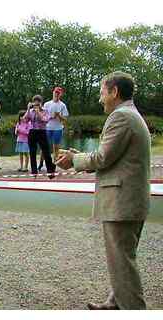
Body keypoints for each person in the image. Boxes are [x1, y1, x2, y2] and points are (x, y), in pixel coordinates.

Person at [56, 71, 150, 310]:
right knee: (123, 259)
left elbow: (103, 157)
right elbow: (114, 157)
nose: (100, 98)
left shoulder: (121, 117)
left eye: (102, 92)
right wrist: (79, 156)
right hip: (129, 200)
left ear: (114, 92)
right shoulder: (131, 115)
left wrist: (73, 161)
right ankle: (114, 304)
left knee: (122, 263)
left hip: (122, 202)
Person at [39, 86, 69, 170]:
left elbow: (65, 119)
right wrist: (51, 117)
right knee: (44, 147)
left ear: (61, 95)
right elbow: (42, 116)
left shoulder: (62, 105)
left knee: (56, 148)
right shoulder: (47, 104)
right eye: (55, 92)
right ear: (53, 93)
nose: (56, 94)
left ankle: (54, 165)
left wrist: (59, 116)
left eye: (58, 93)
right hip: (47, 128)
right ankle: (41, 164)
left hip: (58, 129)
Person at [24, 95, 55, 176]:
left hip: (42, 132)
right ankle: (34, 171)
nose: (36, 105)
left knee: (46, 152)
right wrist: (28, 109)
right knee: (32, 152)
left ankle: (50, 171)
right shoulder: (30, 111)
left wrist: (38, 112)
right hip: (32, 132)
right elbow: (25, 120)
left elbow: (45, 120)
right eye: (35, 103)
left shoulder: (45, 110)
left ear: (41, 103)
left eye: (38, 103)